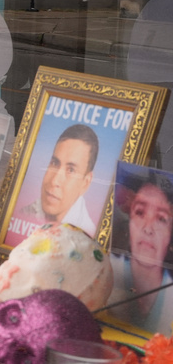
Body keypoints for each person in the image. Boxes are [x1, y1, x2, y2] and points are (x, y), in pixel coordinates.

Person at [107, 170, 173, 335]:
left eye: (161, 219)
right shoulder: (103, 273)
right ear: (129, 220)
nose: (148, 228)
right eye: (140, 213)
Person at [19, 124, 99, 236]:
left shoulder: (88, 238)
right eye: (54, 163)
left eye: (71, 170)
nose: (54, 181)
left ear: (85, 183)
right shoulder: (22, 215)